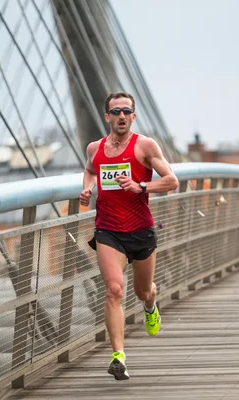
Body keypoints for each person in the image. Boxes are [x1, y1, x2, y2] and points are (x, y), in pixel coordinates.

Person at [79, 92, 179, 380]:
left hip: (141, 231)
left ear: (133, 116)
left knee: (141, 291)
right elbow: (89, 171)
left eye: (126, 111)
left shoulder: (145, 146)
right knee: (113, 289)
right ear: (107, 116)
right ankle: (118, 356)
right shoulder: (94, 148)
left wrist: (141, 187)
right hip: (108, 231)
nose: (121, 116)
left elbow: (172, 180)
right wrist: (87, 187)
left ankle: (150, 304)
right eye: (116, 111)